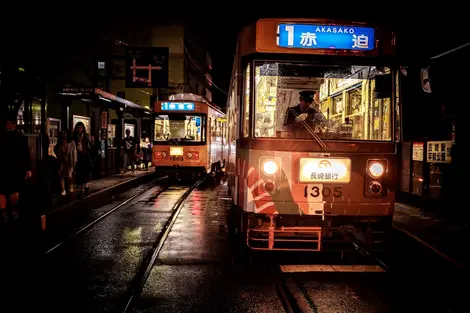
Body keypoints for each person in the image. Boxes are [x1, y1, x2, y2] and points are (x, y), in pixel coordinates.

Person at [0, 114, 32, 221]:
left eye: (10, 123)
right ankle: (4, 210)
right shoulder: (3, 137)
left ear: (14, 124)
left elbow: (26, 154)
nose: (8, 126)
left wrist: (28, 168)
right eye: (7, 123)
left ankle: (12, 209)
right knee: (3, 191)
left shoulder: (20, 138)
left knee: (14, 191)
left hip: (16, 168)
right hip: (5, 167)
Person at [73, 122, 93, 198]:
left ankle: (84, 188)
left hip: (85, 156)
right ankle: (83, 188)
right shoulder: (74, 136)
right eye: (78, 127)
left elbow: (90, 146)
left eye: (81, 127)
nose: (79, 129)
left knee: (85, 173)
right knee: (80, 173)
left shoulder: (86, 136)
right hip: (78, 156)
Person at [54, 130, 77, 196]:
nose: (64, 136)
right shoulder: (59, 146)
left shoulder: (71, 143)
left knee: (69, 175)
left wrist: (74, 162)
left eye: (65, 135)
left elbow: (74, 154)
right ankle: (63, 189)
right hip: (62, 161)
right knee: (62, 175)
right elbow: (57, 152)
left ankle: (70, 186)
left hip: (70, 162)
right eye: (63, 135)